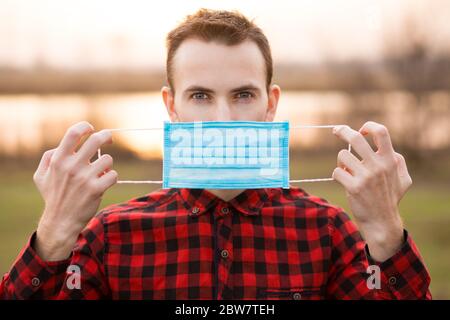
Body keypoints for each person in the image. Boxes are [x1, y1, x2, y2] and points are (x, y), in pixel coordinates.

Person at [0, 8, 431, 299]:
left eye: (243, 94)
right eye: (201, 95)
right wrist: (54, 234)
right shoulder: (110, 237)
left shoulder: (329, 231)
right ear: (172, 107)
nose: (223, 116)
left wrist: (386, 235)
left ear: (271, 104)